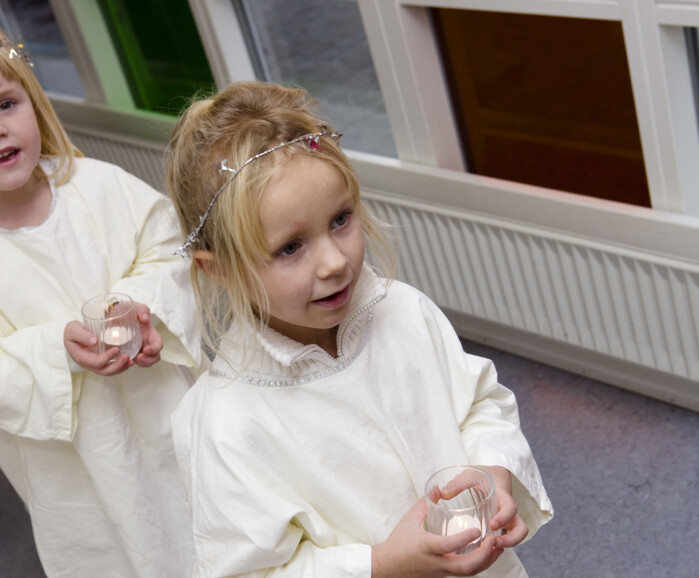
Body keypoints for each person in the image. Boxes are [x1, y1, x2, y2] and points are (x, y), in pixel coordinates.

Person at [166, 80, 553, 578]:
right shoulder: (225, 423)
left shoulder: (405, 312)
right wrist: (381, 565)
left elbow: (480, 404)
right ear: (218, 269)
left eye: (341, 220)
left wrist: (493, 476)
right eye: (290, 248)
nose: (334, 261)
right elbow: (252, 572)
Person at [0, 32, 202, 577]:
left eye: (5, 104)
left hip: (165, 417)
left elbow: (171, 252)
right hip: (76, 475)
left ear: (33, 102)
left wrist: (142, 307)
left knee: (205, 527)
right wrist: (54, 349)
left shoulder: (102, 187)